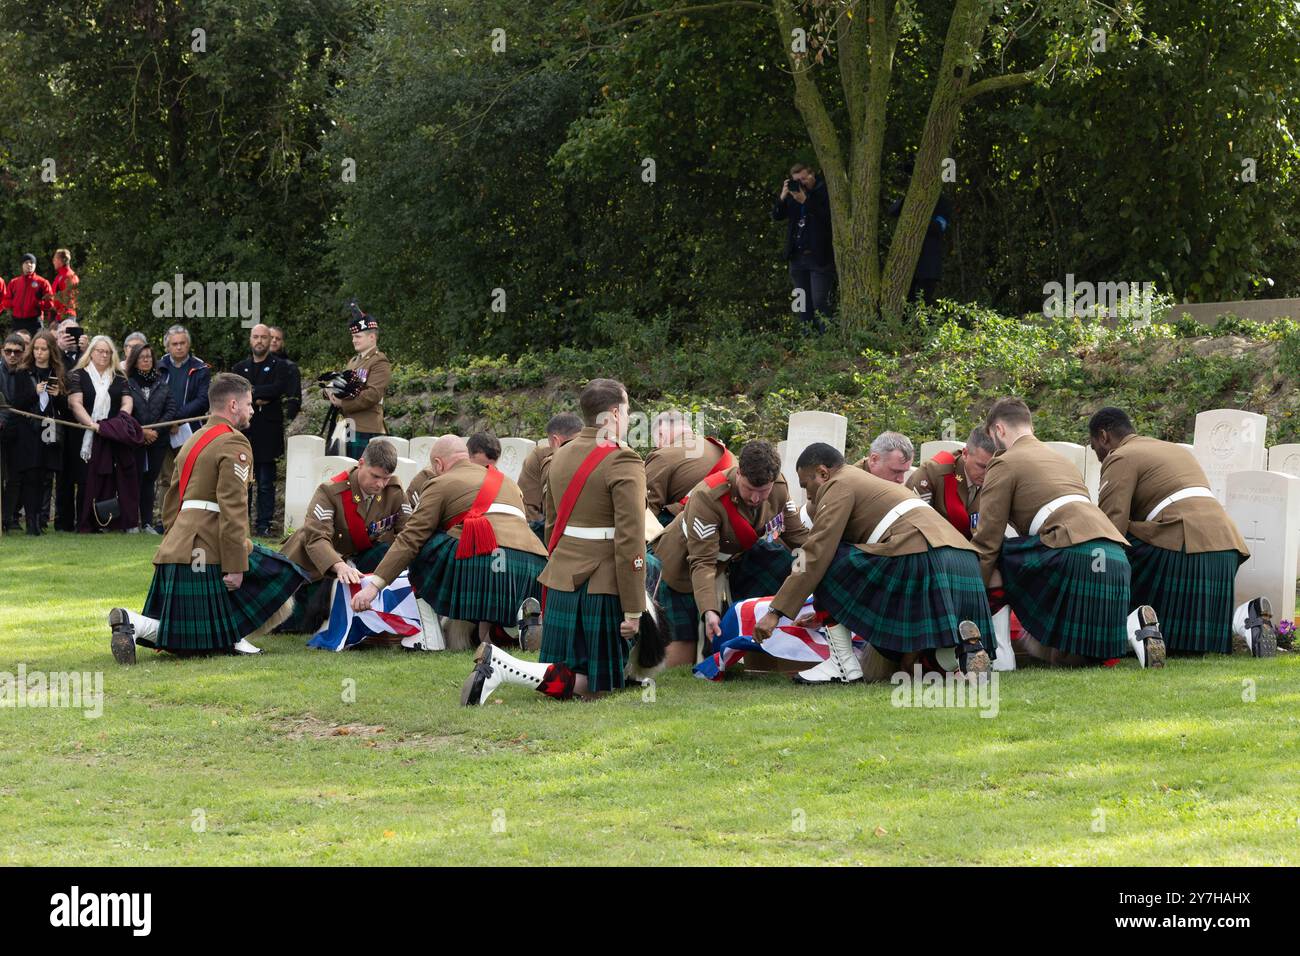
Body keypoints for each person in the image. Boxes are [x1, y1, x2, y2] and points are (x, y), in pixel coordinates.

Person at [461, 378, 646, 704]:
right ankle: (503, 666)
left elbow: (551, 524)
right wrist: (633, 608)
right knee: (600, 686)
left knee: (571, 675)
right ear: (615, 413)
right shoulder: (623, 459)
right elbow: (630, 539)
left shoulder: (558, 454)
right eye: (628, 410)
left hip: (562, 575)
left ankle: (505, 668)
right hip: (600, 582)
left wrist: (558, 565)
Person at [108, 373, 310, 662]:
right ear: (232, 405)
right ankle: (231, 635)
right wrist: (236, 564)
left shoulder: (192, 440)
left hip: (179, 546)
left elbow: (171, 501)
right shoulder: (234, 443)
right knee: (285, 572)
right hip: (208, 545)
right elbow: (233, 507)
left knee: (191, 641)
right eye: (249, 404)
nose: (252, 410)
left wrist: (173, 542)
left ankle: (134, 622)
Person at [750, 443, 994, 683]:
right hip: (963, 559)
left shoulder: (838, 484)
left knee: (830, 558)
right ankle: (954, 655)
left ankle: (842, 664)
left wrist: (775, 612)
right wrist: (828, 610)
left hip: (922, 556)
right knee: (906, 666)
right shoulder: (868, 483)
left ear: (823, 473)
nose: (809, 495)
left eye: (807, 485)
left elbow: (814, 553)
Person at [972, 397, 1164, 668]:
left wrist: (970, 590)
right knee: (1071, 659)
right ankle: (1133, 629)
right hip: (1114, 558)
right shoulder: (1060, 459)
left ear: (999, 430)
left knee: (1001, 555)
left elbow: (988, 539)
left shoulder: (1003, 463)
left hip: (1072, 556)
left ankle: (1001, 654)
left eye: (993, 436)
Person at [1088, 406, 1273, 657]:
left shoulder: (1120, 456)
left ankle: (1136, 627)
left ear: (1103, 436)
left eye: (1093, 445)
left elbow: (1111, 523)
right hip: (1225, 549)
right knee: (1187, 651)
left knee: (1108, 549)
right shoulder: (1171, 449)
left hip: (1184, 548)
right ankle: (1244, 619)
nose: (1097, 454)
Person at [353, 435, 547, 652]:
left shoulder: (439, 482)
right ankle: (507, 629)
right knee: (480, 558)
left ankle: (428, 638)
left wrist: (373, 588)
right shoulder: (508, 483)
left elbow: (410, 538)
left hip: (482, 562)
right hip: (533, 566)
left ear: (438, 464)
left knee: (424, 547)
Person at [650, 440, 808, 668]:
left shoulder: (779, 489)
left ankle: (763, 661)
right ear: (739, 473)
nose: (755, 498)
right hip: (681, 565)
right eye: (749, 489)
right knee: (681, 653)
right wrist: (709, 610)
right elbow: (702, 562)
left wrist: (817, 564)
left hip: (732, 558)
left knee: (780, 564)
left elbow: (797, 537)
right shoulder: (708, 497)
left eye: (763, 491)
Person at [279, 439, 408, 635]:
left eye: (386, 478)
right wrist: (339, 566)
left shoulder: (394, 492)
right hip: (313, 568)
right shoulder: (330, 491)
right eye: (375, 476)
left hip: (356, 561)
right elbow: (316, 538)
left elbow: (407, 534)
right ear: (361, 463)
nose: (381, 484)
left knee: (385, 552)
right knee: (295, 625)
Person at [68, 336, 140, 532]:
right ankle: (85, 522)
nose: (104, 355)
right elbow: (75, 403)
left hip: (112, 434)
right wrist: (92, 425)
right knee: (85, 480)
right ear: (91, 352)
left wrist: (120, 421)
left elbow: (127, 402)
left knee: (111, 479)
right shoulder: (78, 375)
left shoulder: (119, 376)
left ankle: (109, 522)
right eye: (99, 351)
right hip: (86, 435)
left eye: (107, 352)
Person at [233, 323, 292, 536]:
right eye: (255, 337)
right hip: (244, 432)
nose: (259, 341)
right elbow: (236, 391)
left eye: (263, 337)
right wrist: (258, 396)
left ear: (270, 340)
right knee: (242, 481)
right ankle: (242, 524)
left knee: (266, 482)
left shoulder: (280, 366)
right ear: (250, 339)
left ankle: (264, 525)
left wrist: (250, 392)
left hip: (268, 432)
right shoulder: (240, 368)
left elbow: (277, 389)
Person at [14, 331, 67, 535]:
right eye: (36, 348)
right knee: (31, 475)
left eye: (43, 349)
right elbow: (18, 403)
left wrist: (59, 395)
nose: (39, 352)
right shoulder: (23, 372)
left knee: (46, 475)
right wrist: (33, 392)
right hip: (29, 429)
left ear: (51, 350)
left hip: (50, 428)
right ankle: (31, 523)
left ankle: (41, 521)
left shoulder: (57, 371)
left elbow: (64, 407)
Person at [772, 163, 835, 333]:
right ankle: (807, 338)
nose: (802, 183)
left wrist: (806, 201)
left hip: (819, 257)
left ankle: (827, 339)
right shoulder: (793, 196)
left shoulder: (825, 192)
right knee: (800, 302)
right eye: (796, 180)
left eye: (804, 178)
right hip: (797, 258)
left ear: (812, 175)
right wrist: (783, 196)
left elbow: (827, 218)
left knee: (819, 300)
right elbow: (777, 215)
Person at [645, 410, 734, 525]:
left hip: (696, 524)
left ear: (661, 433)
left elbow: (648, 509)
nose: (657, 446)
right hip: (735, 524)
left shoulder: (662, 455)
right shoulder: (722, 451)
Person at [906, 427, 996, 539]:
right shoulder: (933, 472)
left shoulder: (997, 476)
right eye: (982, 466)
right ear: (965, 454)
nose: (987, 474)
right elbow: (915, 524)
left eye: (992, 467)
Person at [124, 343, 177, 534]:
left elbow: (171, 409)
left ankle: (146, 523)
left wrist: (154, 431)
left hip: (157, 440)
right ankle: (130, 523)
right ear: (134, 360)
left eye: (148, 357)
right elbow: (124, 412)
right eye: (141, 357)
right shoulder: (127, 383)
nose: (145, 360)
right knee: (133, 480)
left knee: (149, 481)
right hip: (134, 440)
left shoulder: (161, 382)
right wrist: (141, 432)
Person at [156, 325, 211, 507]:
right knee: (166, 477)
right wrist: (168, 421)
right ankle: (164, 519)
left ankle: (187, 517)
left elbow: (203, 400)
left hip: (190, 429)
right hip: (163, 429)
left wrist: (176, 419)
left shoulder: (200, 368)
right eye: (174, 344)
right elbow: (152, 398)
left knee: (190, 474)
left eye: (182, 343)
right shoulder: (158, 368)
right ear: (167, 346)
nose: (179, 347)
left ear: (188, 344)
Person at [332, 306, 391, 459]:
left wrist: (342, 403)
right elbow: (343, 386)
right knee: (347, 472)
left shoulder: (379, 361)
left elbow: (372, 395)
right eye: (353, 336)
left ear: (372, 337)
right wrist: (330, 391)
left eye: (358, 336)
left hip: (367, 427)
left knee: (362, 474)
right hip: (348, 425)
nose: (353, 340)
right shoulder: (353, 361)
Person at [888, 167, 953, 303]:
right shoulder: (912, 199)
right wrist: (910, 202)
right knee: (905, 304)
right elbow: (892, 211)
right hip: (907, 264)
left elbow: (939, 227)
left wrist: (917, 217)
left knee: (924, 306)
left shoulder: (942, 202)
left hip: (929, 265)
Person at [518, 412, 582, 538]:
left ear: (555, 440)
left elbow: (526, 503)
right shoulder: (540, 455)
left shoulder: (545, 458)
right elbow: (529, 506)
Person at [53, 318, 88, 529]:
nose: (69, 336)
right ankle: (63, 521)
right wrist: (59, 350)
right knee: (63, 474)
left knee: (84, 475)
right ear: (57, 335)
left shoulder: (87, 356)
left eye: (73, 332)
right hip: (61, 421)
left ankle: (83, 520)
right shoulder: (54, 356)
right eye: (64, 333)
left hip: (85, 422)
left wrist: (85, 351)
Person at [0, 334, 35, 530]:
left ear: (23, 353)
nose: (12, 355)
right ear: (2, 351)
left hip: (21, 431)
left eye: (17, 351)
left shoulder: (27, 373)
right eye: (8, 351)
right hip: (3, 427)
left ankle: (8, 518)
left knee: (15, 478)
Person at [3, 254, 53, 337]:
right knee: (17, 347)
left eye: (32, 263)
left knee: (35, 347)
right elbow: (6, 300)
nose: (29, 265)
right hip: (17, 321)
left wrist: (37, 303)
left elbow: (50, 303)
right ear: (22, 265)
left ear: (35, 265)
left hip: (34, 321)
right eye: (26, 262)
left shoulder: (43, 282)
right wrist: (14, 303)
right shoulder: (14, 282)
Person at [267, 326, 302, 420]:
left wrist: (286, 422)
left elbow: (294, 400)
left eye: (278, 339)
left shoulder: (290, 368)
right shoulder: (251, 365)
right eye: (271, 337)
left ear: (282, 343)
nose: (274, 340)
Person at [49, 249, 80, 329]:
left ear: (60, 260)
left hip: (66, 318)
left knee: (68, 340)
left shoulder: (68, 276)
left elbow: (69, 301)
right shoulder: (61, 275)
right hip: (60, 317)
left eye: (54, 259)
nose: (53, 262)